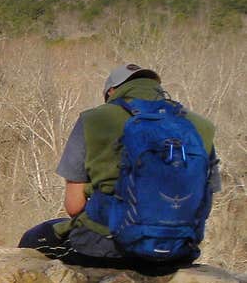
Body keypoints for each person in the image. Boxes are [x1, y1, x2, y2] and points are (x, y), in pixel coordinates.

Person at [19, 63, 218, 268]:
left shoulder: (94, 119)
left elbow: (74, 206)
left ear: (112, 92)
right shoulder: (200, 126)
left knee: (33, 240)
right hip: (178, 251)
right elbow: (205, 201)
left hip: (105, 249)